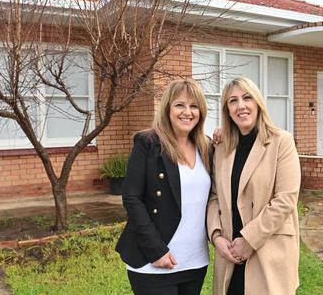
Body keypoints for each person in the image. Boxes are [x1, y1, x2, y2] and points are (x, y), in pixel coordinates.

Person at [116, 78, 212, 295]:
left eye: (194, 106)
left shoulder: (206, 147)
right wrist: (156, 251)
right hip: (153, 261)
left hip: (194, 261)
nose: (187, 112)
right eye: (180, 105)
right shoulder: (148, 143)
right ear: (168, 108)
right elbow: (132, 198)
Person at [207, 77, 301, 295]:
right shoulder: (221, 148)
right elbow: (214, 197)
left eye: (247, 98)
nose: (241, 106)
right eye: (233, 101)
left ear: (258, 102)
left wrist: (249, 240)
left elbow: (285, 199)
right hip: (229, 253)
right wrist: (216, 236)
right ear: (227, 110)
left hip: (268, 249)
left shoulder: (281, 141)